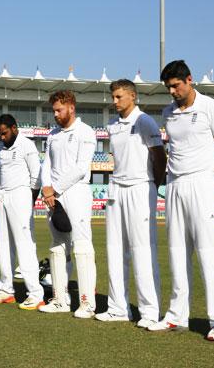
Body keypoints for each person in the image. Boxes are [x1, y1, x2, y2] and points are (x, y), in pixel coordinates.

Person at [148, 60, 214, 342]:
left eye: (176, 85)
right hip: (174, 185)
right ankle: (176, 316)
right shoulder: (167, 112)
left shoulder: (211, 107)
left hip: (201, 184)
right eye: (168, 87)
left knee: (209, 252)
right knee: (176, 252)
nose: (172, 91)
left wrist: (205, 172)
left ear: (189, 79)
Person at [96, 79, 165, 328]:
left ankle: (149, 312)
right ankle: (118, 308)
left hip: (140, 187)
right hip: (116, 188)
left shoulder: (144, 121)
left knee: (143, 250)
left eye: (118, 97)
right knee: (114, 250)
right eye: (112, 97)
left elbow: (160, 158)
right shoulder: (112, 124)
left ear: (132, 96)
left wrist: (152, 186)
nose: (114, 102)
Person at [38, 90, 98, 318]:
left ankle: (87, 304)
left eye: (58, 110)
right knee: (57, 246)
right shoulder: (53, 135)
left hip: (76, 192)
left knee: (81, 247)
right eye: (53, 110)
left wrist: (55, 188)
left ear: (71, 107)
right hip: (53, 195)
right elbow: (47, 164)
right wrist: (46, 188)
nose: (55, 114)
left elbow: (81, 167)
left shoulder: (85, 132)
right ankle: (60, 300)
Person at [0, 114, 46, 309]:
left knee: (25, 245)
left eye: (4, 133)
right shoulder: (1, 146)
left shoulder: (27, 145)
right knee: (3, 244)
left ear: (14, 128)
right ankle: (6, 290)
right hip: (3, 197)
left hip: (21, 195)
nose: (2, 137)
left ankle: (35, 293)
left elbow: (36, 176)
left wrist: (29, 201)